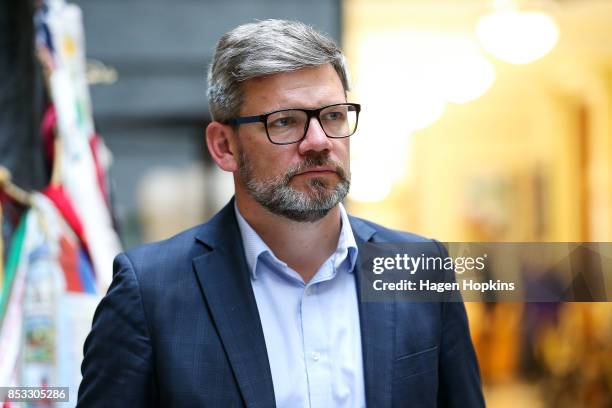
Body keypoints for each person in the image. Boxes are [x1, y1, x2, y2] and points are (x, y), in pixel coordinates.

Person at [77, 19, 485, 408]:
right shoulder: (150, 292)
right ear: (224, 146)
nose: (319, 141)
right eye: (285, 122)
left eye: (333, 116)